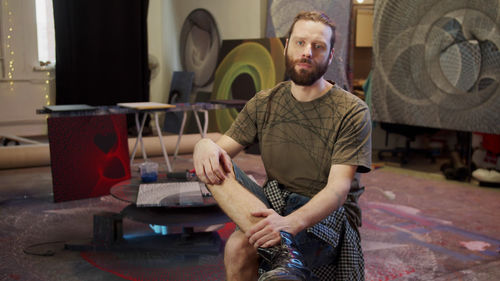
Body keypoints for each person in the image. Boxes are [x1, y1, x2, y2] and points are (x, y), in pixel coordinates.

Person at [193, 10, 371, 281]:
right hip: (276, 201)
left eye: (318, 46)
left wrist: (288, 224)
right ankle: (283, 252)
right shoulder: (265, 102)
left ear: (330, 56)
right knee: (211, 161)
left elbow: (338, 190)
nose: (307, 52)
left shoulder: (352, 111)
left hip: (327, 218)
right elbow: (220, 151)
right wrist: (203, 146)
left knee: (239, 246)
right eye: (300, 43)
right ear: (287, 46)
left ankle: (281, 248)